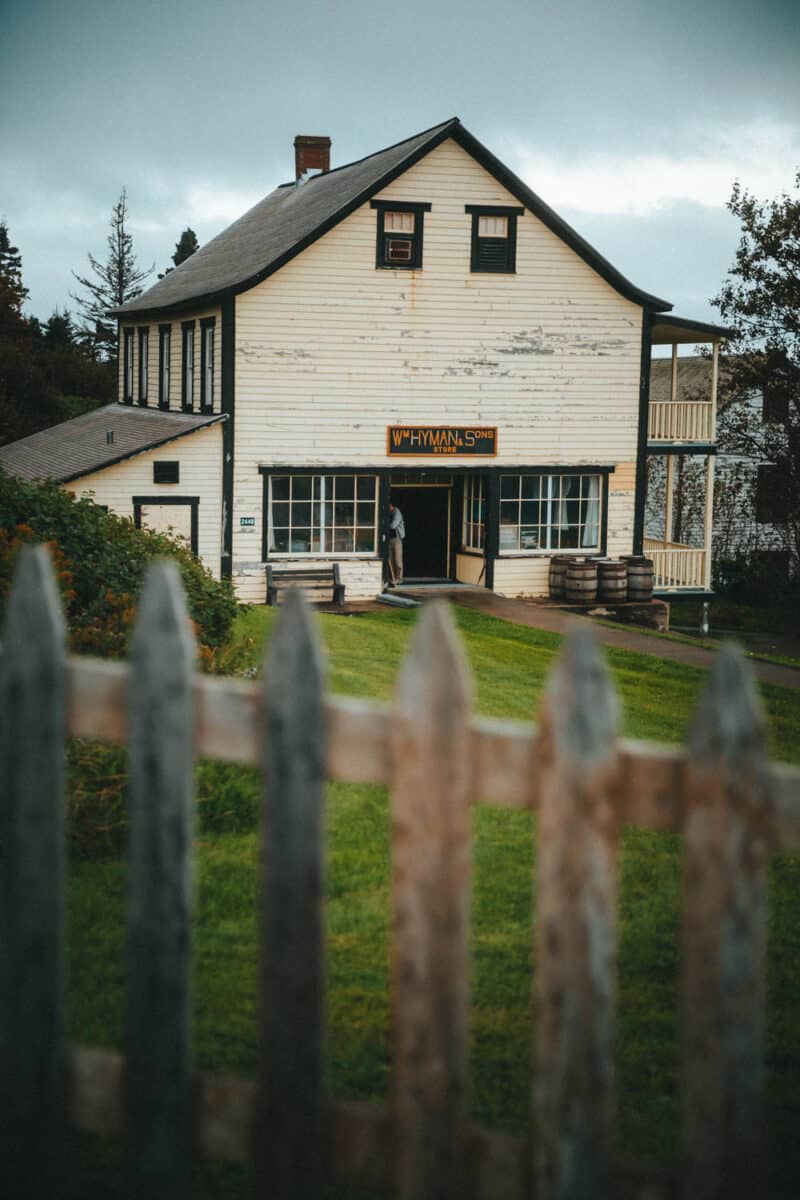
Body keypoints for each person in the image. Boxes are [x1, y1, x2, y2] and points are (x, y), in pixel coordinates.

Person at [387, 501, 405, 586]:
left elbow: (394, 525)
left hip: (397, 539)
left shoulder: (396, 512)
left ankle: (399, 578)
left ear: (391, 505)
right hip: (390, 539)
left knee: (398, 559)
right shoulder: (389, 513)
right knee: (391, 559)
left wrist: (385, 525)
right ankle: (394, 578)